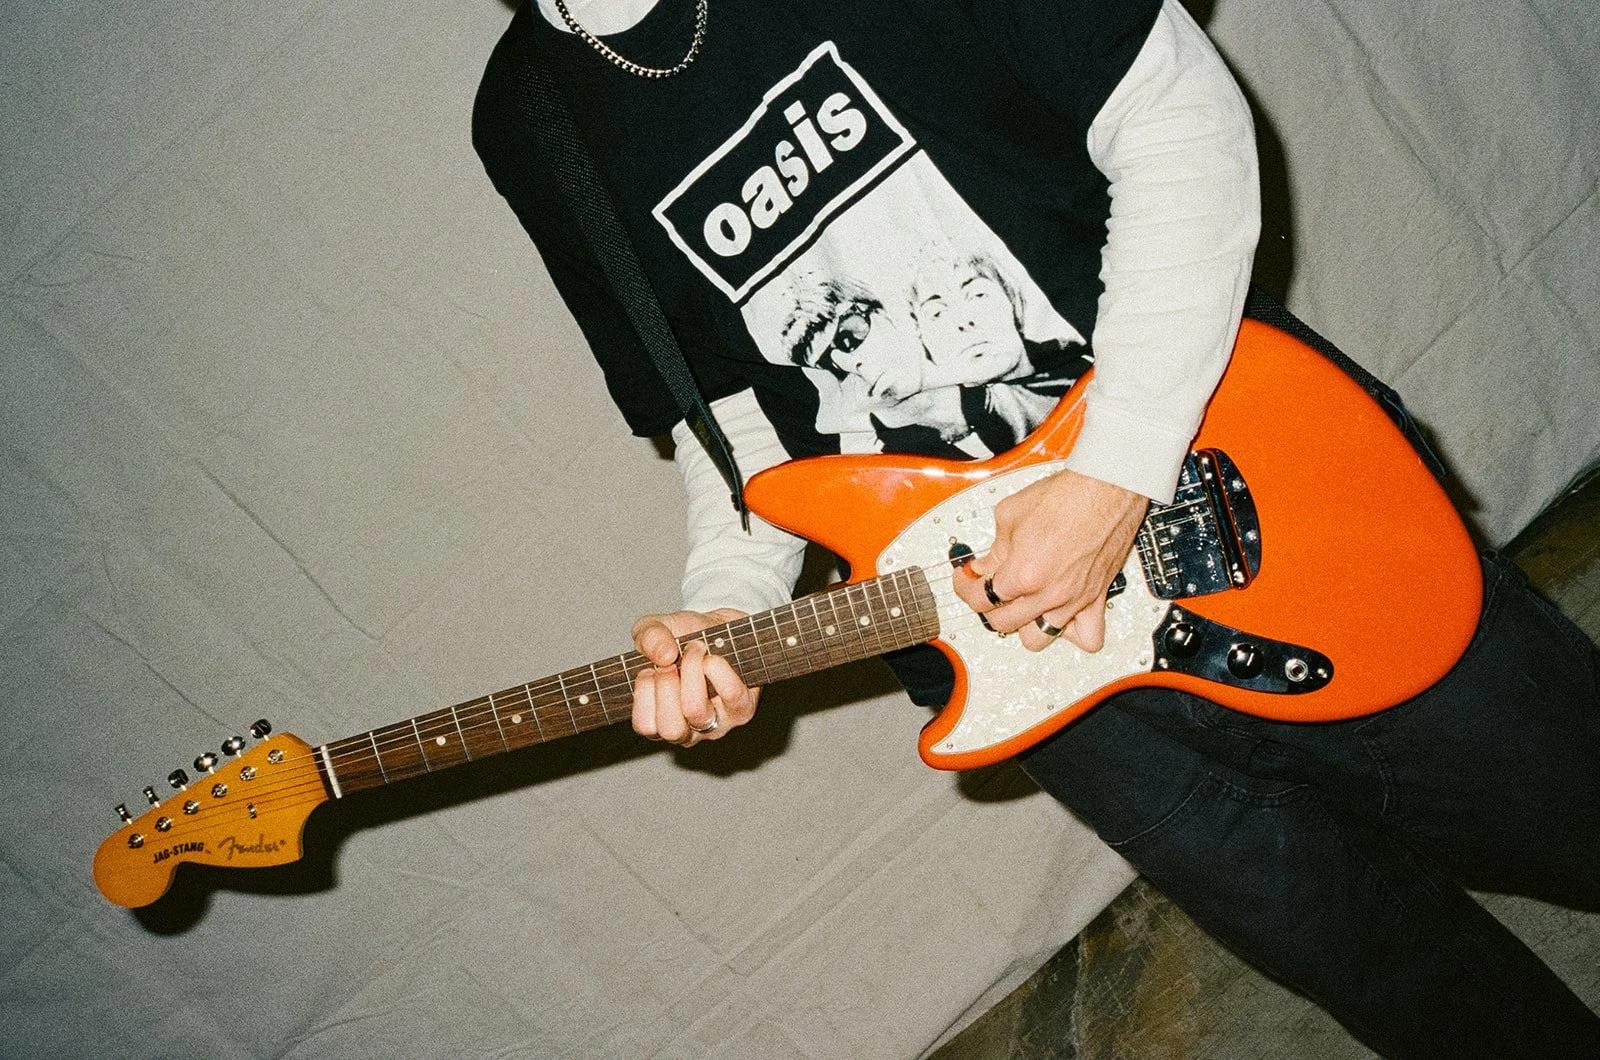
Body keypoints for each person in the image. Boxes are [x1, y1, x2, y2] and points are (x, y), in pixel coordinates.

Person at [471, 1, 1600, 1056]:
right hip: (1026, 664)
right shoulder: (533, 121)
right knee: (1403, 980)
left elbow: (1174, 115)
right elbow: (732, 424)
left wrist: (1110, 476)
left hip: (1242, 490)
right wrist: (731, 602)